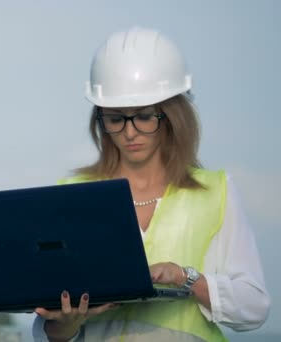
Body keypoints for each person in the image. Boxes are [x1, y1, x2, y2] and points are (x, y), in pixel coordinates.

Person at [32, 27, 270, 342]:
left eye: (144, 116)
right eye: (116, 118)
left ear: (173, 116)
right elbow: (53, 327)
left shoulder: (216, 192)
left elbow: (253, 307)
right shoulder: (71, 193)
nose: (130, 133)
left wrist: (185, 279)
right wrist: (64, 325)